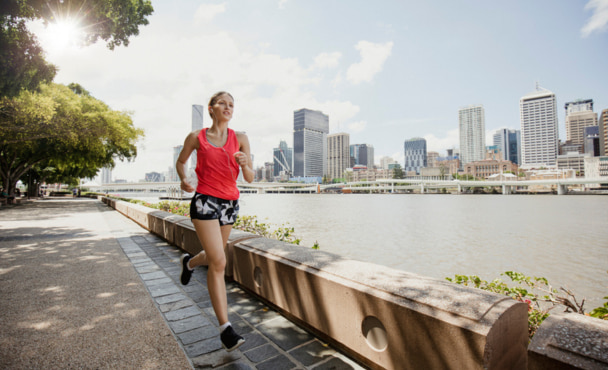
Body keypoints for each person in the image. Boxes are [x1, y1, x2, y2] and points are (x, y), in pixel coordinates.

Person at [175, 91, 254, 352]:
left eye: (232, 104)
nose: (228, 107)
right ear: (211, 108)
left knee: (213, 256)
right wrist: (184, 179)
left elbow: (251, 178)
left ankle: (189, 262)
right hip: (205, 201)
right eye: (223, 103)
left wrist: (245, 164)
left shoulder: (240, 138)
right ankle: (225, 329)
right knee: (219, 261)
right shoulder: (196, 137)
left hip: (230, 203)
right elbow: (181, 161)